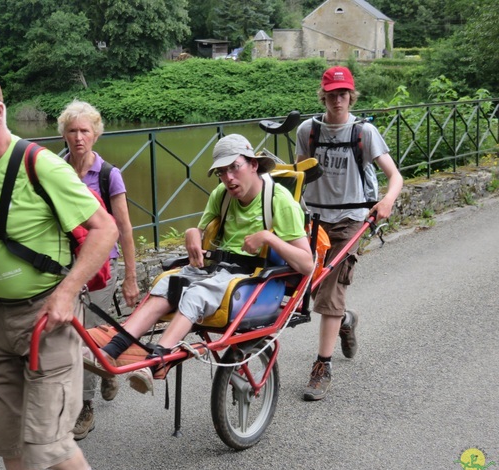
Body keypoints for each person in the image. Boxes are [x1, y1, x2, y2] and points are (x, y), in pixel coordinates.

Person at [0, 68, 117, 470]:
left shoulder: (41, 165)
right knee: (7, 436)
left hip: (45, 317)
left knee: (45, 443)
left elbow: (106, 230)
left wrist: (67, 293)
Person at [87, 134, 315, 395]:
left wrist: (268, 238)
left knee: (196, 294)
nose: (228, 177)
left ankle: (159, 360)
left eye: (234, 167)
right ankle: (112, 350)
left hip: (255, 278)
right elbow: (204, 230)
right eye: (221, 171)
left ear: (253, 164)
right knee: (166, 285)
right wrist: (192, 233)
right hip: (218, 269)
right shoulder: (222, 194)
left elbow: (307, 265)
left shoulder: (280, 200)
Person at [295, 66, 403, 401]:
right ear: (323, 95)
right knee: (305, 285)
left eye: (343, 94)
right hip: (313, 221)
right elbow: (297, 176)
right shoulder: (307, 131)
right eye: (332, 94)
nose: (338, 100)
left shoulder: (364, 132)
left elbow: (394, 176)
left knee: (331, 288)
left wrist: (386, 200)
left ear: (351, 95)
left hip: (351, 219)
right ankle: (344, 320)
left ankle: (322, 366)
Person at [57, 100, 140, 440]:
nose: (78, 138)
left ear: (96, 135)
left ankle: (85, 406)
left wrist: (131, 278)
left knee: (88, 332)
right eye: (72, 131)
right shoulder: (53, 170)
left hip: (103, 266)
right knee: (70, 332)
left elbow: (124, 228)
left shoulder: (108, 175)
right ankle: (104, 371)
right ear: (63, 134)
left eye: (85, 131)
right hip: (64, 264)